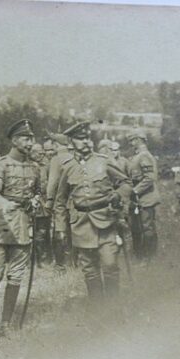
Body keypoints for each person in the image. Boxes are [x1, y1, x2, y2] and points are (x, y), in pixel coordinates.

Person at [55, 121, 132, 302]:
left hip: (106, 221)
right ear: (71, 142)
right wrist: (60, 228)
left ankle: (113, 306)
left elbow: (126, 183)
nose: (87, 142)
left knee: (110, 264)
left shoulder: (103, 161)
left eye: (88, 138)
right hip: (81, 225)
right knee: (90, 270)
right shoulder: (67, 166)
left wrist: (118, 196)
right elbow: (60, 200)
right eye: (81, 139)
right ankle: (98, 308)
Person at [0, 118, 40, 336]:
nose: (30, 143)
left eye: (31, 139)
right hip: (1, 227)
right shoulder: (2, 164)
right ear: (15, 140)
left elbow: (38, 192)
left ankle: (5, 323)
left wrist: (36, 201)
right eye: (26, 139)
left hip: (23, 227)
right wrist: (4, 204)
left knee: (16, 276)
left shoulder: (35, 167)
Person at [127, 129, 161, 263]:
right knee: (141, 226)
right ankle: (144, 255)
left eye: (132, 140)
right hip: (141, 197)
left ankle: (149, 257)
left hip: (146, 197)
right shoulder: (138, 155)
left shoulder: (144, 156)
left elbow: (149, 178)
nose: (131, 143)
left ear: (138, 140)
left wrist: (135, 191)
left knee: (147, 227)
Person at [44, 132, 74, 270]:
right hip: (74, 202)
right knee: (72, 231)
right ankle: (73, 262)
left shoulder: (56, 160)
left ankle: (60, 264)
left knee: (59, 231)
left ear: (56, 145)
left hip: (60, 201)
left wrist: (49, 200)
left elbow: (53, 183)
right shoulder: (74, 157)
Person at [30, 143, 51, 266]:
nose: (41, 155)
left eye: (42, 153)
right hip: (29, 202)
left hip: (43, 203)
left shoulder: (46, 165)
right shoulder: (27, 165)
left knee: (42, 231)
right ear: (32, 153)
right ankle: (30, 259)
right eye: (39, 153)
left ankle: (42, 259)